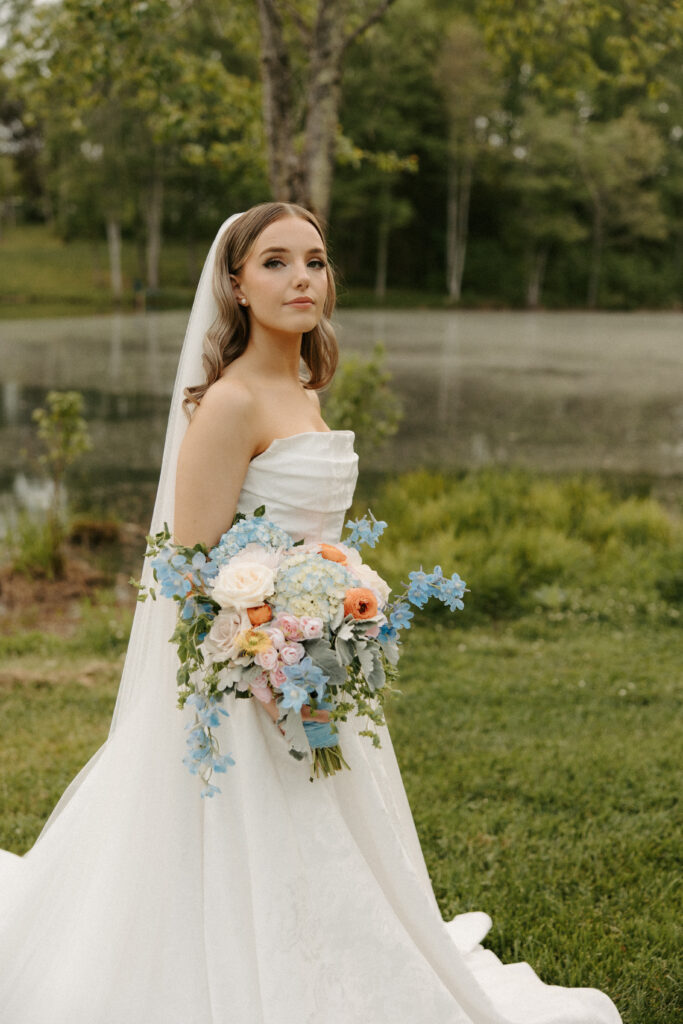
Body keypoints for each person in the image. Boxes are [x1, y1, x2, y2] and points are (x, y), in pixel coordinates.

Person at [0, 202, 622, 1024]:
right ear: (236, 285)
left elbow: (304, 537)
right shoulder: (228, 404)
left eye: (316, 262)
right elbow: (188, 567)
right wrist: (268, 649)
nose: (301, 278)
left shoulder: (301, 384)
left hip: (317, 666)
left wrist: (335, 615)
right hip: (248, 681)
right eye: (276, 262)